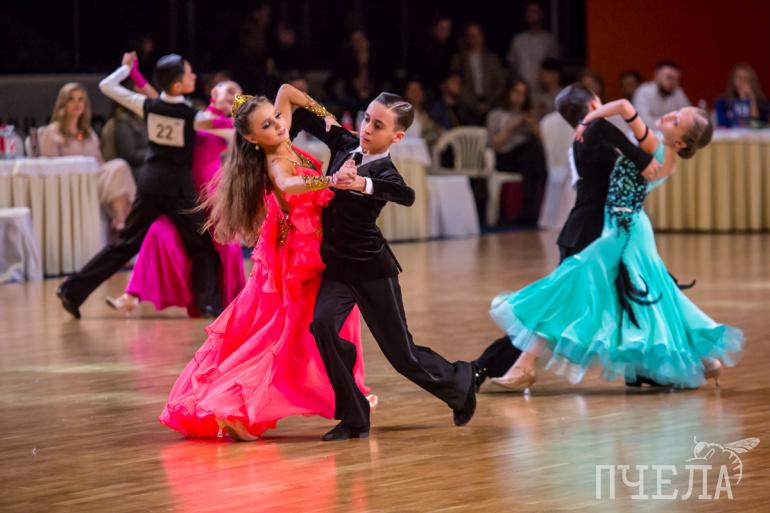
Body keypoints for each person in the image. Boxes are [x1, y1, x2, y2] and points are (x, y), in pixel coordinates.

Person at [160, 87, 374, 440]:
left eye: (275, 117)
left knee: (299, 332)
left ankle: (338, 396)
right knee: (288, 335)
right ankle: (235, 406)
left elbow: (286, 92)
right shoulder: (275, 161)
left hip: (309, 248)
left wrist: (324, 115)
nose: (278, 125)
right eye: (267, 125)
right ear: (251, 139)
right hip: (302, 258)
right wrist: (329, 180)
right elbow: (288, 184)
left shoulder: (280, 136)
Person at [489, 98, 742, 391]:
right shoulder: (665, 156)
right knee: (656, 298)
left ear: (681, 143)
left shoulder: (654, 148)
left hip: (622, 233)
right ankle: (706, 361)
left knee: (572, 283)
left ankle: (525, 366)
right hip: (628, 228)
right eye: (675, 112)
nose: (669, 115)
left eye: (676, 121)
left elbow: (623, 106)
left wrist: (587, 120)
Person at [290, 87, 476, 441]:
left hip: (372, 269)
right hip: (337, 269)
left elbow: (407, 195)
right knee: (323, 327)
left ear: (397, 136)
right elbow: (302, 112)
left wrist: (361, 183)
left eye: (378, 125)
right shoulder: (344, 144)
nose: (367, 128)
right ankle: (355, 418)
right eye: (366, 119)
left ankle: (459, 382)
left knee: (401, 355)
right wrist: (279, 137)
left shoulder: (387, 173)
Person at [473, 83, 660, 390]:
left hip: (598, 232)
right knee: (555, 307)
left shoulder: (587, 136)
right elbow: (642, 159)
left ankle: (642, 368)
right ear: (594, 105)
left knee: (623, 300)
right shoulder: (593, 131)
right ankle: (487, 365)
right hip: (589, 233)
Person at [56, 52, 221, 319]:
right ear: (178, 84)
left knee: (125, 245)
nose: (194, 76)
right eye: (190, 73)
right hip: (178, 190)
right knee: (202, 246)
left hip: (149, 184)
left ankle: (71, 290)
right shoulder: (192, 115)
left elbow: (106, 86)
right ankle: (209, 304)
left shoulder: (148, 106)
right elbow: (224, 125)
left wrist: (126, 69)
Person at [106, 80, 246, 316]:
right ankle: (131, 296)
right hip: (183, 191)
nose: (234, 97)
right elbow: (161, 103)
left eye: (239, 96)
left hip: (210, 194)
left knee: (223, 248)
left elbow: (225, 131)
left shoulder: (229, 126)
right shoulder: (192, 116)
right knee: (157, 233)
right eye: (230, 91)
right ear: (214, 92)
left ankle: (221, 301)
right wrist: (137, 77)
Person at [39, 82, 137, 231]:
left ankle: (122, 221)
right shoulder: (52, 132)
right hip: (69, 184)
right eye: (71, 99)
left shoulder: (88, 132)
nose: (77, 103)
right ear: (63, 103)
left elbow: (100, 163)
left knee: (119, 167)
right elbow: (49, 169)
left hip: (93, 179)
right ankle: (123, 222)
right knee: (119, 168)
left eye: (81, 99)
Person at [486, 78, 547, 224]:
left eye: (523, 93)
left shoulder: (529, 114)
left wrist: (534, 126)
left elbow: (544, 143)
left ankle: (530, 210)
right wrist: (511, 126)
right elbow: (495, 145)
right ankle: (536, 208)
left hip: (527, 159)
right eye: (516, 92)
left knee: (533, 152)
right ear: (508, 92)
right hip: (504, 157)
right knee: (531, 151)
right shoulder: (496, 114)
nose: (519, 97)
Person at [451, 23, 505, 125]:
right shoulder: (459, 59)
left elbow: (500, 84)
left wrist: (488, 104)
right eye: (471, 35)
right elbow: (458, 84)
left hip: (491, 105)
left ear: (482, 37)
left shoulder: (493, 59)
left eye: (477, 35)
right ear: (466, 38)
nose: (474, 39)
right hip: (467, 107)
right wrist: (474, 105)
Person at [507, 1, 560, 92]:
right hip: (522, 91)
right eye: (529, 12)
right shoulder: (517, 40)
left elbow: (554, 70)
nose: (531, 15)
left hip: (543, 92)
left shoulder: (549, 40)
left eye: (535, 11)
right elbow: (512, 67)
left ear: (542, 14)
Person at [632, 61, 691, 128]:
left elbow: (689, 119)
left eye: (676, 79)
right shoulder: (643, 91)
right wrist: (672, 122)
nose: (673, 82)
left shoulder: (678, 93)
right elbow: (642, 121)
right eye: (669, 78)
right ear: (656, 77)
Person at [715, 63, 769, 128]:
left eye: (746, 79)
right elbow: (722, 122)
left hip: (754, 134)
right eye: (739, 78)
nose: (742, 82)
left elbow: (762, 123)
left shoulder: (762, 102)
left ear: (752, 82)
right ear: (733, 80)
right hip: (732, 134)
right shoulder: (722, 101)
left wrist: (752, 100)